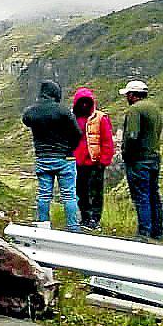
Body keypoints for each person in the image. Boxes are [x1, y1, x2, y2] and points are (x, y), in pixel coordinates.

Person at [21, 80, 82, 231]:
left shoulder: (31, 112)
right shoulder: (63, 111)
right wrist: (69, 148)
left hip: (43, 158)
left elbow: (26, 120)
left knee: (44, 194)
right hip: (65, 158)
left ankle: (43, 226)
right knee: (69, 195)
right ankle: (73, 228)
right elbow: (77, 134)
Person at [120, 80, 163, 240]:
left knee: (141, 195)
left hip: (138, 160)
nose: (126, 97)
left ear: (132, 95)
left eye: (127, 94)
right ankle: (157, 231)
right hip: (154, 158)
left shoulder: (134, 110)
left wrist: (126, 154)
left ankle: (143, 232)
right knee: (154, 194)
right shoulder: (155, 108)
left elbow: (132, 135)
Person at [71, 87, 114, 230]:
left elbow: (107, 140)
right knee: (80, 191)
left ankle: (95, 219)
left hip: (95, 162)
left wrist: (104, 161)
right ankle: (85, 217)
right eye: (81, 102)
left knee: (96, 192)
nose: (84, 105)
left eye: (86, 102)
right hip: (77, 162)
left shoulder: (100, 118)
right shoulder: (72, 118)